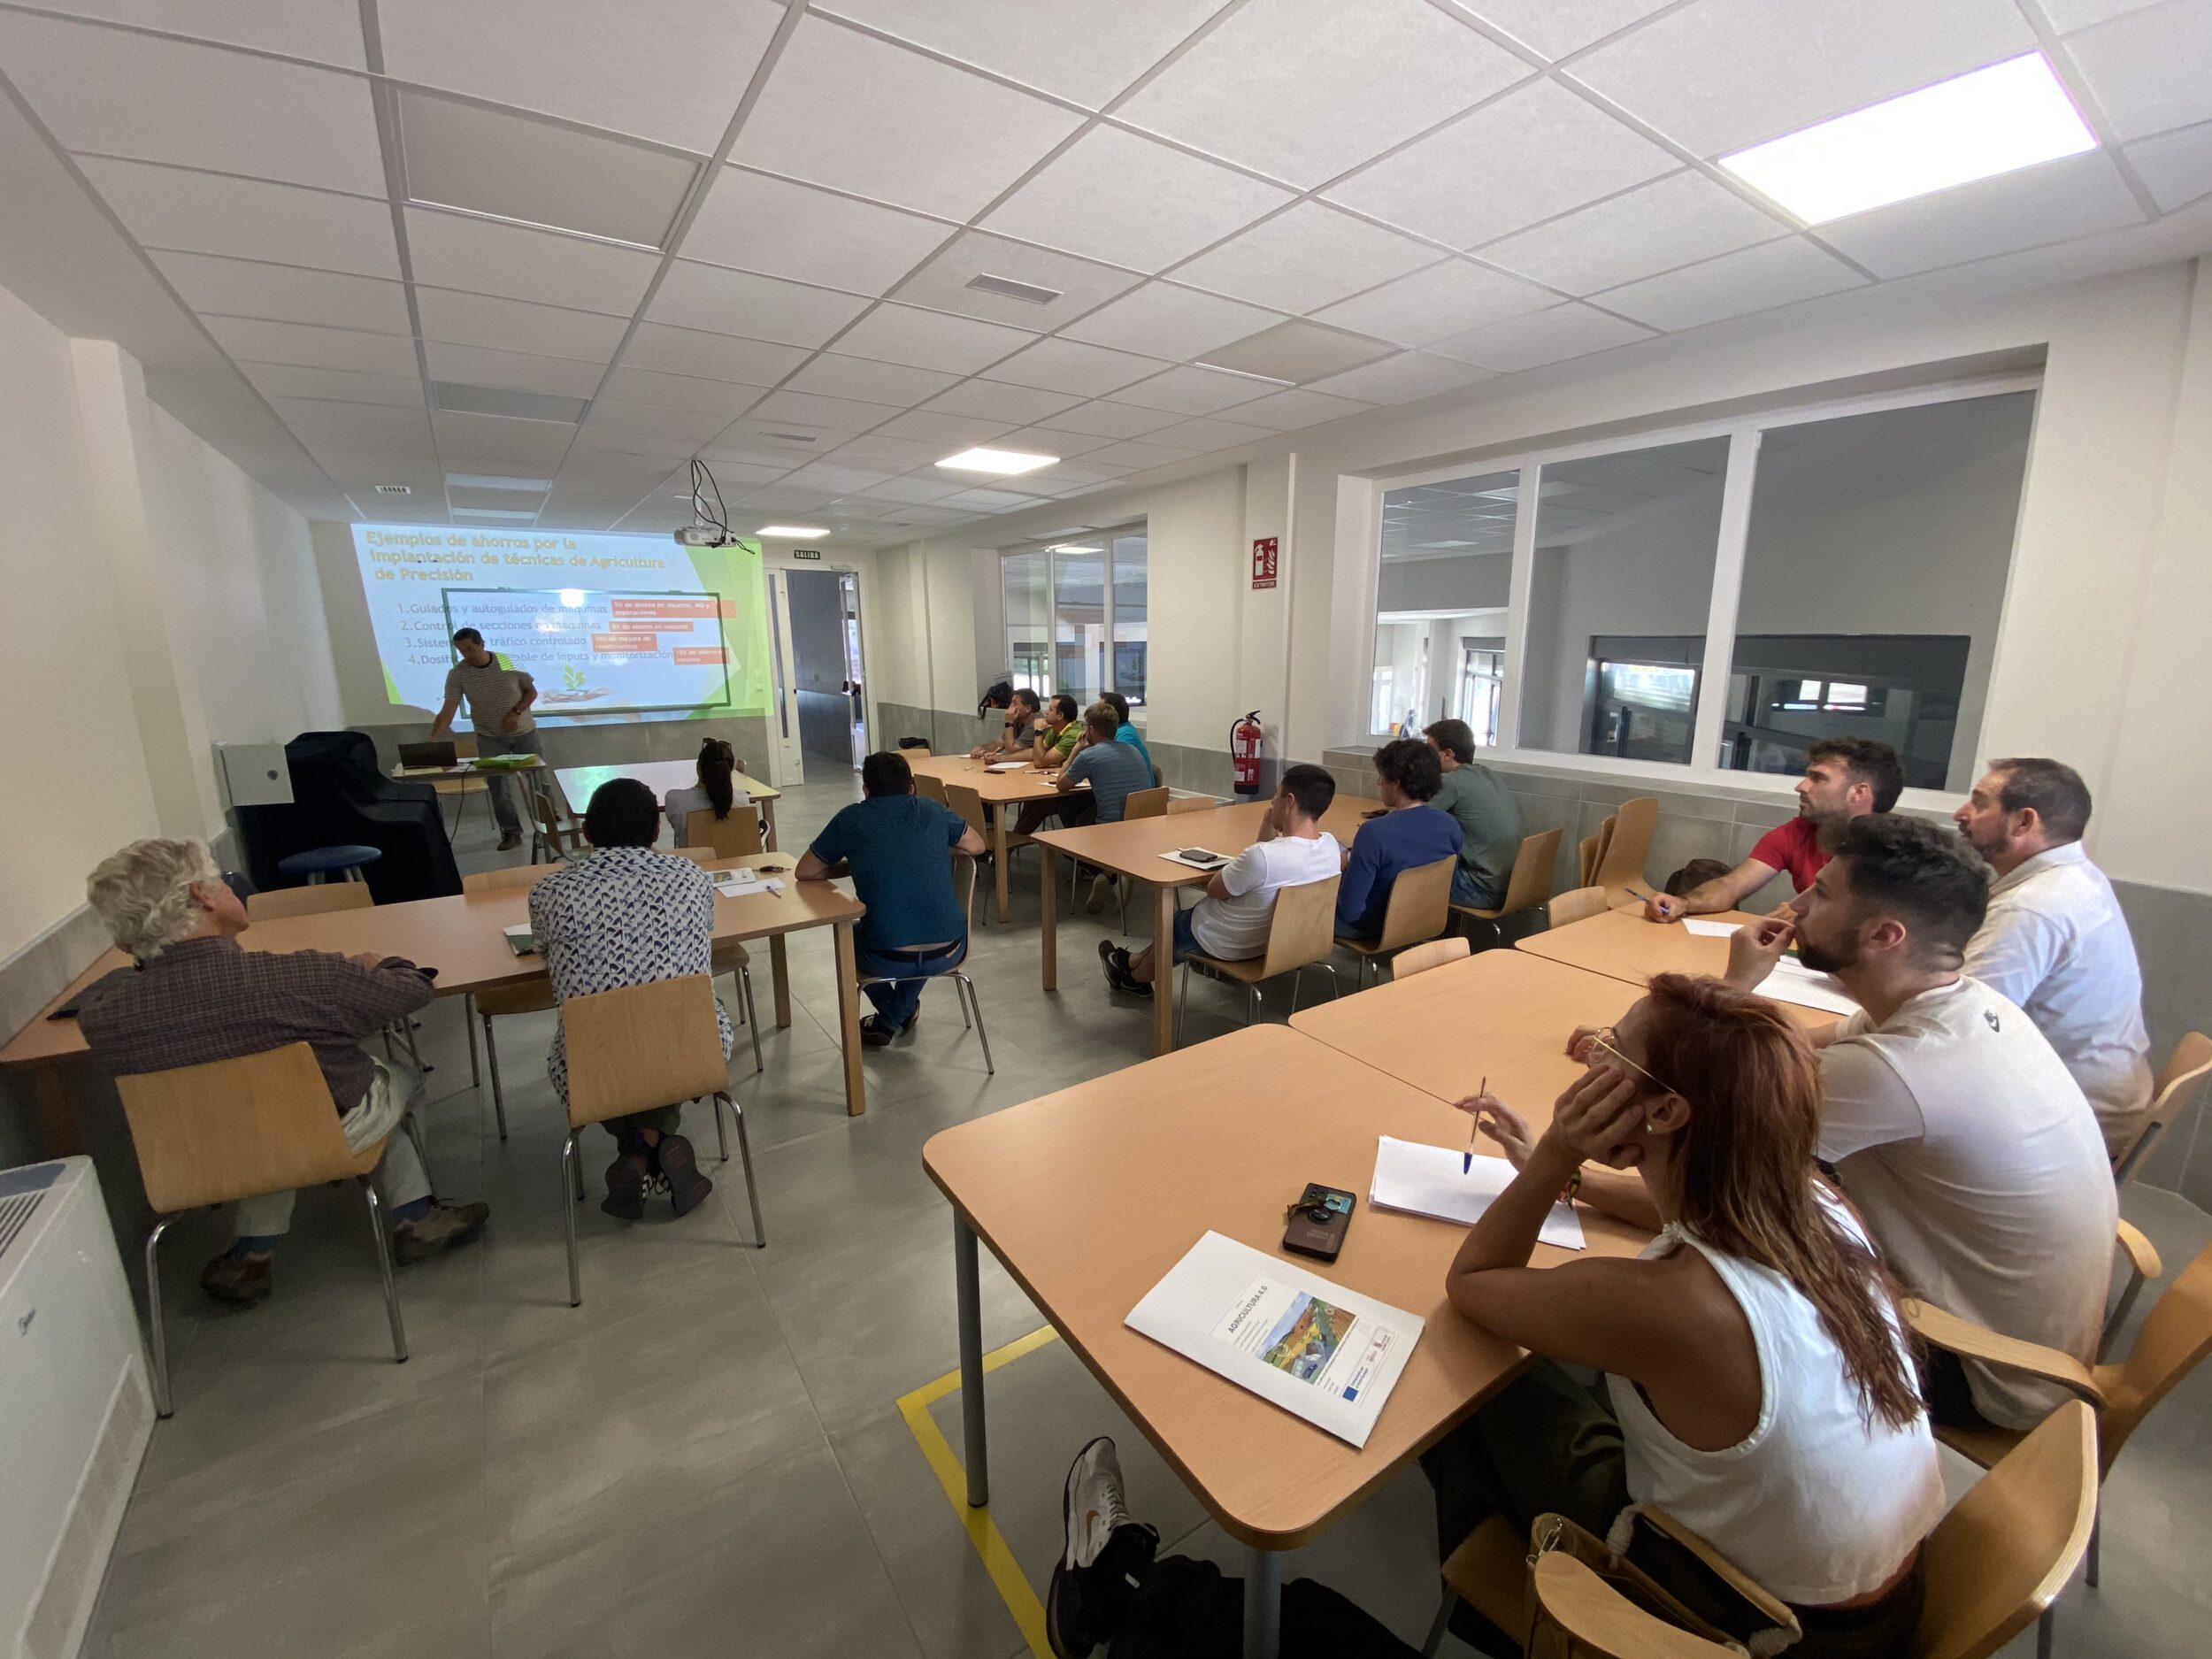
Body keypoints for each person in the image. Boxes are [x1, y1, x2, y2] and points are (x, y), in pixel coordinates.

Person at [1047, 975, 1942, 1659]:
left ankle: (1124, 1593)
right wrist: (1572, 1176)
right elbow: (1677, 1208)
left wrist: (1554, 1153)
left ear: (1666, 1110)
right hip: (1866, 1602)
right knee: (1510, 1374)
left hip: (1727, 1619)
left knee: (1454, 1375)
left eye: (1615, 1055)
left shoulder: (1677, 1302)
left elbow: (1473, 1284)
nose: (1592, 1059)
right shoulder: (1812, 1199)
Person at [1719, 813, 2116, 1431]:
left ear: (1883, 935)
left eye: (1821, 893)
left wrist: (1735, 991)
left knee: (1720, 1252)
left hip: (1983, 1372)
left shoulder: (1896, 1068)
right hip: (2037, 1344)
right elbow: (1800, 1047)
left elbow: (1713, 1123)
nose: (1796, 906)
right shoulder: (1962, 1003)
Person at [78, 838, 488, 1304]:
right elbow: (411, 992)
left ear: (123, 940)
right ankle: (417, 1216)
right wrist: (385, 964)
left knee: (256, 1117)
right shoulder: (304, 978)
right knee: (396, 1082)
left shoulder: (104, 1016)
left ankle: (252, 1254)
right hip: (313, 1134)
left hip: (198, 1155)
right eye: (219, 880)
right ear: (201, 895)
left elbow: (132, 989)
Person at [529, 780, 726, 1219]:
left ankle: (637, 1151)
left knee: (613, 1053)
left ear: (587, 832)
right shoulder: (692, 879)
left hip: (593, 1063)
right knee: (669, 1031)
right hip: (693, 1050)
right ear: (656, 830)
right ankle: (652, 1143)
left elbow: (542, 951)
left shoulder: (551, 892)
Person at [1954, 757, 2152, 1157]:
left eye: (1979, 802)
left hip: (2070, 1123)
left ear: (2023, 822)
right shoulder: (2076, 877)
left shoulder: (2033, 906)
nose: (1961, 813)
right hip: (2098, 1097)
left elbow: (1959, 1027)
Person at [1101, 764, 1340, 1000]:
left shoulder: (1260, 858)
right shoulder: (1332, 848)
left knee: (1172, 925)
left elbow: (1214, 889)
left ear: (1289, 801)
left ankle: (1133, 979)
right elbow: (1273, 861)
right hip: (1279, 944)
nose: (1271, 802)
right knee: (1178, 925)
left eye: (1276, 795)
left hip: (1227, 943)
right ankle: (1129, 961)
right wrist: (1269, 823)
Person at [798, 750, 987, 1047]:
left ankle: (892, 1015)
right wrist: (932, 848)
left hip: (887, 957)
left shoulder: (851, 818)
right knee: (921, 924)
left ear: (866, 790)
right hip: (950, 947)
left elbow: (806, 871)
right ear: (911, 788)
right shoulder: (933, 809)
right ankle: (900, 1010)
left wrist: (854, 863)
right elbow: (977, 845)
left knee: (848, 937)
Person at [1644, 738, 1902, 921]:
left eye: (1818, 778)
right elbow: (1732, 885)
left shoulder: (1899, 853)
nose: (1801, 787)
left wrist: (1812, 914)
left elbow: (1892, 934)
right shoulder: (1799, 831)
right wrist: (1684, 903)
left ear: (1858, 793)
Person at [1335, 738, 1461, 941]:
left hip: (1372, 926)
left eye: (1382, 776)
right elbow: (1449, 886)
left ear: (1396, 783)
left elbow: (1349, 912)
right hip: (1423, 918)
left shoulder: (1373, 833)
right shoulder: (1450, 825)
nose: (1378, 782)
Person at [431, 626, 540, 852]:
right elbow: (448, 709)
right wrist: (433, 737)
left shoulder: (508, 662)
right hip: (489, 736)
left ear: (482, 644)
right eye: (461, 651)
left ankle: (549, 826)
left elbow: (531, 692)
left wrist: (516, 712)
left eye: (470, 649)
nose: (466, 655)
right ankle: (511, 832)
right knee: (498, 787)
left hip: (524, 732)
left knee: (539, 780)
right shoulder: (458, 674)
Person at [1016, 703, 1150, 846]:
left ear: (1091, 729)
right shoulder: (1133, 750)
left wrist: (1076, 749)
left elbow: (1061, 785)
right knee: (1071, 806)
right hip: (1141, 820)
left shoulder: (1089, 756)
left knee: (1069, 811)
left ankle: (1081, 854)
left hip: (1111, 824)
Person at [1424, 718, 1519, 909]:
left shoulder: (1451, 782)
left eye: (1430, 751)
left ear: (1448, 754)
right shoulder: (1486, 774)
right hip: (1514, 883)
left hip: (1482, 888)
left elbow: (1415, 821)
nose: (1425, 758)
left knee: (1404, 878)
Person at [664, 738, 751, 849]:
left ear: (698, 767)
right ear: (730, 770)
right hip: (735, 859)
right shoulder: (743, 801)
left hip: (692, 859)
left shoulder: (675, 800)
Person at [969, 687, 1041, 760]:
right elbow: (999, 743)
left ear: (1028, 708)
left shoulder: (1036, 723)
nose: (1010, 706)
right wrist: (982, 749)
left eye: (1015, 703)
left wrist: (1009, 722)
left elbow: (1011, 749)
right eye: (1011, 703)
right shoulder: (1018, 721)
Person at [1100, 690, 1155, 778]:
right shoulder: (1121, 730)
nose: (1094, 713)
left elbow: (1112, 767)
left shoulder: (1125, 735)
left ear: (1111, 715)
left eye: (1099, 710)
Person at [1030, 693, 1083, 771]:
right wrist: (1009, 758)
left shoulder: (1073, 735)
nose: (1046, 712)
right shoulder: (1055, 729)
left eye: (1050, 709)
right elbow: (1038, 752)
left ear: (1060, 715)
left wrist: (1038, 731)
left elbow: (1039, 762)